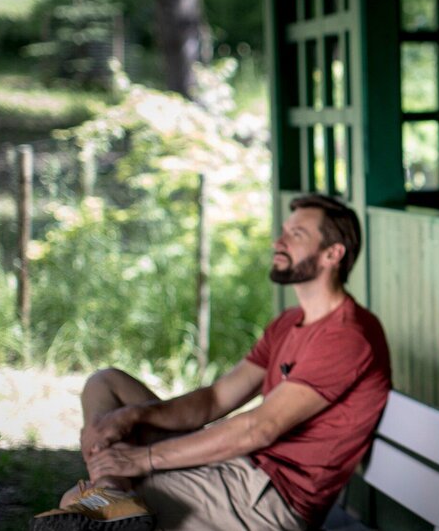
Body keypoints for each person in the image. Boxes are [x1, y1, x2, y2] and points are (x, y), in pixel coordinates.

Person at [32, 194, 392, 531]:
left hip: (269, 499)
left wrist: (142, 459)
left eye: (296, 234)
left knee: (79, 504)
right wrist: (133, 417)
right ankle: (111, 489)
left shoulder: (346, 336)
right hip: (237, 471)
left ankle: (110, 494)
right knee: (105, 382)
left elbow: (259, 429)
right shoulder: (289, 323)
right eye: (283, 232)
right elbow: (214, 401)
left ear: (333, 254)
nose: (278, 242)